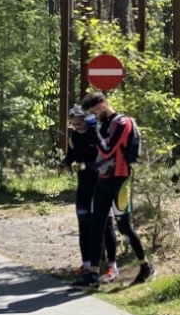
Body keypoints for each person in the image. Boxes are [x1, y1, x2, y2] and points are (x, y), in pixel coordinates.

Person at [72, 92, 153, 288]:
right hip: (104, 180)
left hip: (120, 182)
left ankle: (145, 266)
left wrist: (94, 131)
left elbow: (108, 150)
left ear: (101, 106)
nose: (93, 117)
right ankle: (92, 275)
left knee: (124, 227)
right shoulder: (103, 125)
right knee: (96, 225)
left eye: (93, 112)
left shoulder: (122, 124)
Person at [58, 105, 116, 277]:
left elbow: (107, 157)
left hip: (102, 186)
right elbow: (71, 155)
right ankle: (87, 264)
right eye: (74, 124)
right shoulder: (75, 137)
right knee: (84, 226)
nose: (78, 127)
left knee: (106, 226)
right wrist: (63, 164)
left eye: (80, 123)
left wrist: (86, 165)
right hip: (83, 187)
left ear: (86, 119)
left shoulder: (96, 133)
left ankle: (112, 266)